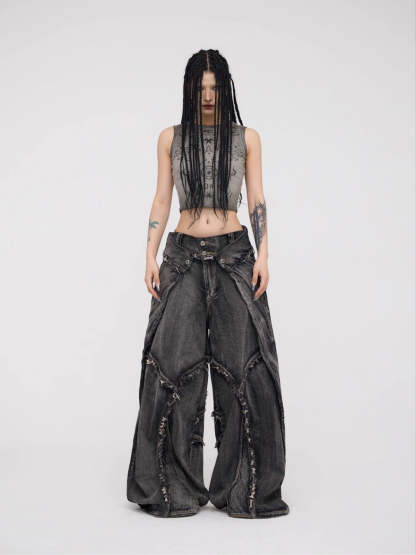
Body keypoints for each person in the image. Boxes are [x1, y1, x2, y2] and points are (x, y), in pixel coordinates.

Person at [126, 49, 289, 519]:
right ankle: (171, 491)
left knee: (246, 368)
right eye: (201, 89)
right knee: (171, 366)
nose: (209, 97)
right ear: (190, 90)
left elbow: (256, 198)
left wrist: (265, 253)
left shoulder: (246, 138)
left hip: (235, 256)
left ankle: (248, 493)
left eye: (216, 89)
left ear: (227, 90)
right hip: (181, 258)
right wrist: (149, 253)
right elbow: (162, 197)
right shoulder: (171, 138)